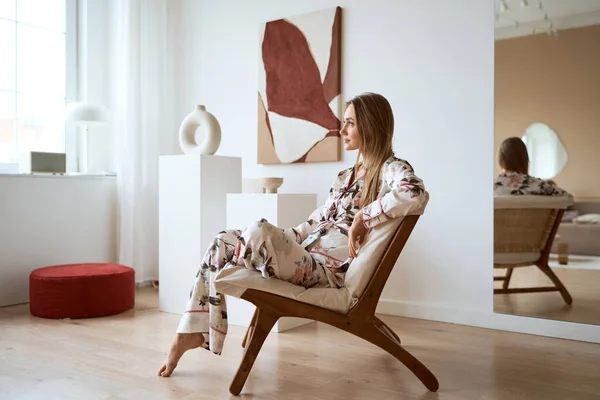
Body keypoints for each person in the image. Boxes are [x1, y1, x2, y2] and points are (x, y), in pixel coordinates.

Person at [158, 92, 427, 377]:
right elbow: (314, 223)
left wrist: (364, 215)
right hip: (305, 256)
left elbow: (414, 191)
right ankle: (190, 332)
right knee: (221, 240)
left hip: (327, 272)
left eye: (350, 123)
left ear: (370, 125)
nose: (342, 130)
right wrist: (279, 240)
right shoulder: (345, 176)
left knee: (258, 231)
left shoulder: (391, 169)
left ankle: (247, 254)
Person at [494, 137, 571, 197]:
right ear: (524, 159)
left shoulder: (487, 188)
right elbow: (567, 197)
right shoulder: (539, 186)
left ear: (500, 160)